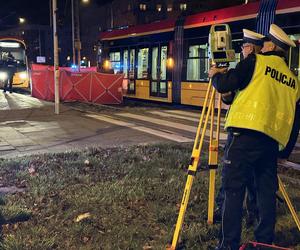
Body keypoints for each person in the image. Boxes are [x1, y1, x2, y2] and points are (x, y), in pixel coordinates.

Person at [208, 24, 299, 250]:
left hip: (243, 137)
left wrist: (215, 76)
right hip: (270, 144)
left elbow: (228, 84)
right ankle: (263, 242)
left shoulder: (256, 62)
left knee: (233, 190)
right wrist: (284, 153)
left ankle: (228, 245)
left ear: (270, 45)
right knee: (265, 193)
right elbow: (295, 122)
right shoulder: (293, 80)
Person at [214, 29, 264, 227]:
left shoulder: (249, 64)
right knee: (254, 176)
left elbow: (227, 85)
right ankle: (254, 213)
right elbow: (235, 96)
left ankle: (222, 210)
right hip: (259, 132)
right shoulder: (262, 70)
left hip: (242, 130)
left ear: (249, 48)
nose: (241, 50)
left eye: (243, 47)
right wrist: (227, 95)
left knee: (232, 176)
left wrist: (216, 76)